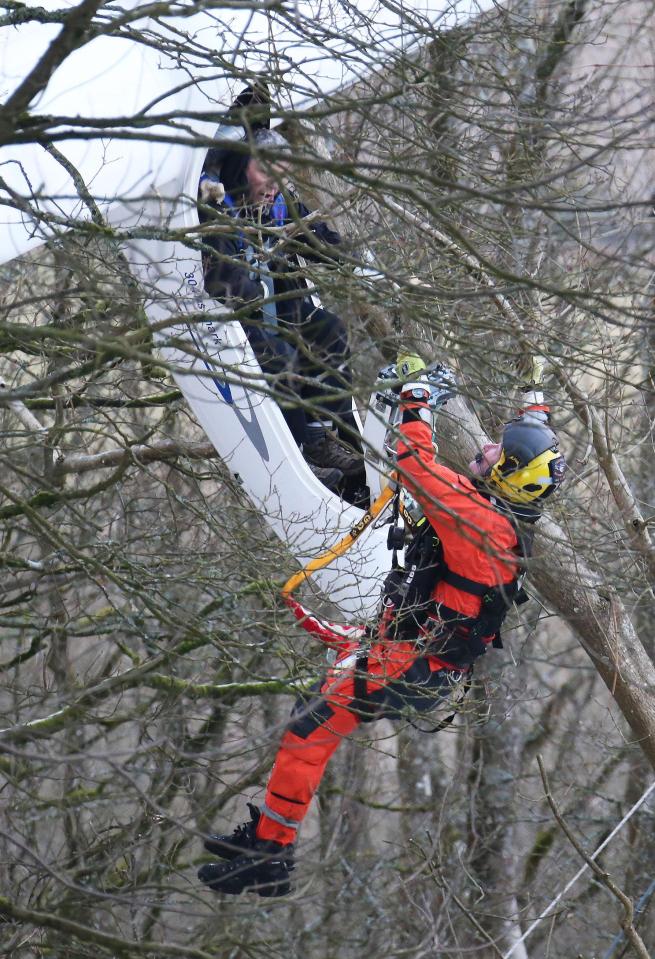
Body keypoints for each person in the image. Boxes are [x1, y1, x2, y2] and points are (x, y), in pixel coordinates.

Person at [197, 355, 566, 897]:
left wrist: (416, 402)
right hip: (416, 660)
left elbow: (413, 464)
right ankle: (269, 842)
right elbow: (529, 450)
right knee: (307, 729)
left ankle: (271, 855)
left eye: (497, 454)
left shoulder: (478, 519)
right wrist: (533, 402)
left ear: (510, 475)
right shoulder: (506, 517)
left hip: (409, 664)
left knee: (305, 735)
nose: (485, 452)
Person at [198, 88, 363, 491]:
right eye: (265, 173)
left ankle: (332, 433)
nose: (273, 185)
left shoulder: (276, 202)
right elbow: (219, 278)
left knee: (328, 331)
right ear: (242, 167)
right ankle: (306, 446)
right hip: (246, 322)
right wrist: (249, 289)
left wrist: (345, 255)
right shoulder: (218, 209)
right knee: (280, 356)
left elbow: (314, 235)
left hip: (284, 308)